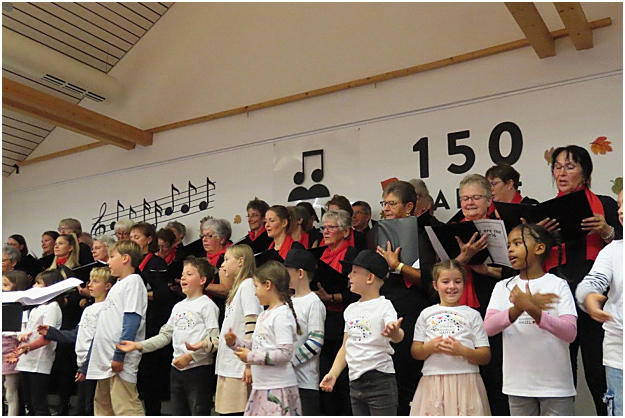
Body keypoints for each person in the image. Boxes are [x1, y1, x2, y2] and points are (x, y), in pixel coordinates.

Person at [545, 145, 621, 415]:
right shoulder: (547, 211)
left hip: (596, 301)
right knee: (558, 375)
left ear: (585, 173)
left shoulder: (607, 205)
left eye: (570, 167)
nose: (562, 173)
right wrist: (540, 236)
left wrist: (606, 230)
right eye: (557, 167)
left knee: (598, 373)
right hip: (559, 299)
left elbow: (621, 250)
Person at [484, 224, 577, 415]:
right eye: (508, 245)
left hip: (555, 386)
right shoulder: (503, 287)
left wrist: (533, 310)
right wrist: (517, 309)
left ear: (539, 248)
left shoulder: (558, 285)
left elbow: (570, 332)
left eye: (517, 243)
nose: (510, 249)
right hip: (518, 385)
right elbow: (488, 328)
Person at [117, 256, 220, 416]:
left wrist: (191, 356)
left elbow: (214, 340)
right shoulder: (178, 306)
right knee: (178, 411)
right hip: (177, 369)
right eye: (183, 274)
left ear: (202, 280)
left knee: (198, 411)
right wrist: (139, 345)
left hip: (198, 370)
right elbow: (165, 336)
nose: (183, 278)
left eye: (189, 274)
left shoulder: (207, 306)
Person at [374, 179, 436, 415]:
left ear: (409, 207)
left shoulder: (421, 234)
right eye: (384, 203)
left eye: (392, 203)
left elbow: (429, 279)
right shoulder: (379, 233)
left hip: (413, 310)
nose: (387, 208)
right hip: (386, 308)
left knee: (409, 374)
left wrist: (398, 266)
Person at [320, 250, 404, 415]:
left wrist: (394, 332)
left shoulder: (384, 306)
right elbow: (345, 347)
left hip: (380, 379)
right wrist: (333, 373)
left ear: (370, 278)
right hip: (355, 381)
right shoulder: (350, 309)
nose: (349, 276)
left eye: (354, 272)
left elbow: (398, 335)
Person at [186, 244, 261, 415]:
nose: (222, 264)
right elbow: (229, 335)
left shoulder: (248, 285)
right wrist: (205, 345)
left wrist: (249, 363)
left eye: (227, 259)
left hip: (238, 368)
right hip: (228, 366)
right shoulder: (237, 289)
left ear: (241, 261)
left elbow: (252, 326)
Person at [410, 260, 491, 416]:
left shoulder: (472, 315)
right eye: (445, 282)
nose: (452, 286)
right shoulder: (426, 314)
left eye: (457, 282)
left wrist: (462, 351)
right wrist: (429, 347)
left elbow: (485, 356)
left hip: (466, 381)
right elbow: (416, 351)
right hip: (433, 380)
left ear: (464, 284)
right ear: (435, 285)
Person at [225, 261, 302, 416]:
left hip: (278, 387)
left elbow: (285, 353)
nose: (255, 293)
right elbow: (256, 346)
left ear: (268, 285)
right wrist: (235, 343)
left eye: (256, 287)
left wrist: (250, 357)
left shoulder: (282, 315)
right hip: (261, 386)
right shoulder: (264, 315)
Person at [37, 267, 117, 416]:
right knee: (82, 407)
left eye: (95, 281)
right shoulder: (89, 309)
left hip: (96, 367)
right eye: (90, 281)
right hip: (84, 364)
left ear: (107, 286)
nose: (89, 285)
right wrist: (52, 332)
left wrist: (86, 367)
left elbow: (98, 340)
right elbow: (77, 335)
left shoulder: (107, 310)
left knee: (91, 407)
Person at [85, 240, 147, 416]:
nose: (108, 261)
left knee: (125, 406)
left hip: (118, 358)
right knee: (103, 407)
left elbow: (132, 321)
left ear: (125, 258)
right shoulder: (118, 285)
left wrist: (119, 355)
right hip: (104, 358)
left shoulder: (133, 282)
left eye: (112, 257)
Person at [576, 190, 623, 416]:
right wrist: (589, 297)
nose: (621, 211)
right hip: (619, 357)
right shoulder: (613, 251)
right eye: (620, 205)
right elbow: (592, 282)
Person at [130, 222, 178, 416]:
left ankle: (153, 412)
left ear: (149, 239)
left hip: (154, 322)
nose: (133, 240)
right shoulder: (131, 264)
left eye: (137, 237)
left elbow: (164, 293)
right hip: (137, 322)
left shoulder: (156, 263)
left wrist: (140, 294)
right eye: (131, 237)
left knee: (151, 372)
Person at [314, 210, 359, 416]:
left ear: (346, 231)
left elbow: (356, 293)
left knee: (342, 380)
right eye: (323, 228)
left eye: (331, 227)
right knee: (324, 373)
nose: (325, 231)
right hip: (323, 319)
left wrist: (331, 297)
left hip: (343, 321)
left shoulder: (352, 256)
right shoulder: (319, 255)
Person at [8, 270, 64, 416]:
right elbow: (29, 330)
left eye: (39, 283)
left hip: (39, 361)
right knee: (29, 402)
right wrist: (22, 340)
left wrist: (27, 347)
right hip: (26, 359)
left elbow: (47, 336)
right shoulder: (37, 306)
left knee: (38, 403)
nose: (34, 286)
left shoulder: (53, 307)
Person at [284, 249, 327, 415]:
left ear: (300, 273)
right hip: (286, 380)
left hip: (305, 382)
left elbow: (316, 341)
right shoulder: (287, 301)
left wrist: (289, 362)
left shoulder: (313, 303)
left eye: (288, 272)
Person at [2, 270, 33, 416]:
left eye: (6, 285)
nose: (2, 288)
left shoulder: (21, 308)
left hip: (10, 349)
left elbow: (22, 330)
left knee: (11, 390)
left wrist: (19, 334)